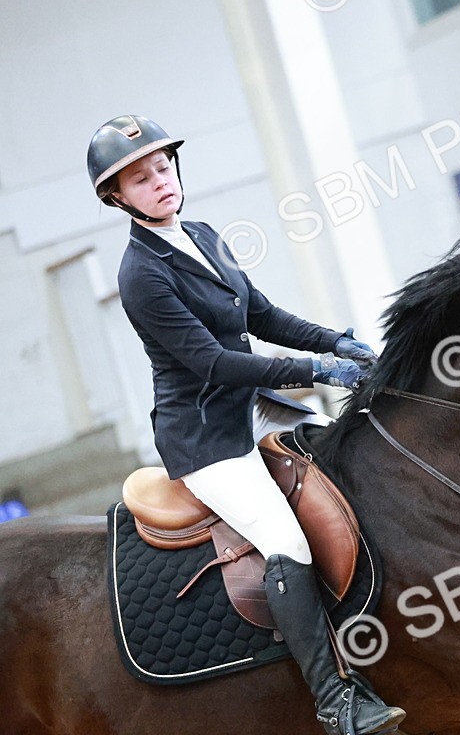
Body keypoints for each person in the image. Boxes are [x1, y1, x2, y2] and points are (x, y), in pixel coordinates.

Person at [87, 114, 405, 735]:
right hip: (205, 436)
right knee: (284, 538)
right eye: (139, 179)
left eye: (162, 167)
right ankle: (334, 699)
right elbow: (212, 361)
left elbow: (263, 314)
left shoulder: (203, 234)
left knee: (344, 478)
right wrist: (316, 367)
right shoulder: (140, 274)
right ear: (116, 196)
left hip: (253, 409)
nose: (159, 182)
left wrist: (339, 341)